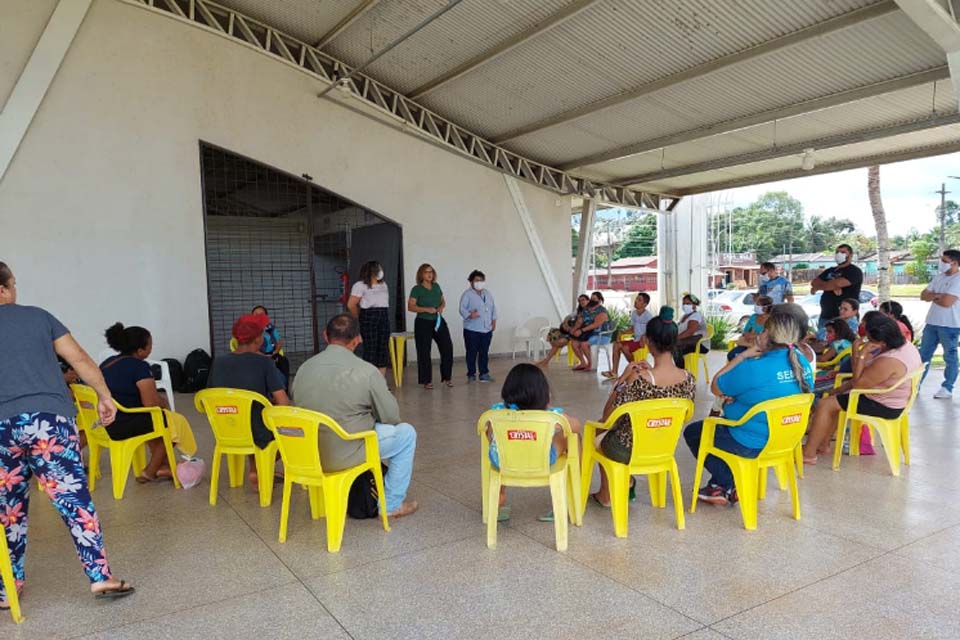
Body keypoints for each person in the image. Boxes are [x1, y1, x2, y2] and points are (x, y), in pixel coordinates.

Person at [0, 261, 135, 607]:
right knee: (73, 500)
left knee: (8, 510)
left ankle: (7, 588)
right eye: (14, 284)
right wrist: (105, 395)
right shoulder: (39, 317)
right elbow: (79, 359)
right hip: (48, 421)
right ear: (3, 289)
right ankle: (100, 577)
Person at [684, 305, 814, 506]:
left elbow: (716, 386)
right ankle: (722, 484)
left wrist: (743, 355)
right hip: (785, 438)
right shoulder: (802, 363)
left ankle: (726, 483)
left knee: (694, 432)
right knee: (719, 427)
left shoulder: (754, 367)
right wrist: (743, 397)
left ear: (767, 334)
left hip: (749, 440)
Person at [293, 314, 418, 518]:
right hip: (346, 453)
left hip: (306, 453)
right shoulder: (367, 371)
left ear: (326, 336)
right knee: (406, 434)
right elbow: (392, 416)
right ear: (357, 339)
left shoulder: (304, 369)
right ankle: (391, 505)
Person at [592, 308, 696, 506]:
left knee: (598, 427)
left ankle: (606, 495)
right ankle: (626, 482)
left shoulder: (638, 378)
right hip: (664, 446)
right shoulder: (689, 379)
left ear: (647, 341)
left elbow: (608, 417)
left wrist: (622, 378)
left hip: (630, 448)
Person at [803, 315, 921, 463]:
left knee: (825, 404)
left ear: (882, 341)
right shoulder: (905, 345)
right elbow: (859, 374)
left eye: (870, 339)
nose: (867, 342)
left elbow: (858, 382)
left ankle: (808, 454)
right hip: (891, 398)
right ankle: (823, 445)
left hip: (884, 404)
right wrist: (855, 352)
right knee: (834, 399)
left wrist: (862, 354)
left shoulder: (889, 360)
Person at [483, 363, 581, 522]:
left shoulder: (497, 413)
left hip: (503, 461)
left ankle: (499, 498)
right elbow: (576, 426)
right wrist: (548, 408)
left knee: (501, 447)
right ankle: (569, 495)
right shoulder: (550, 415)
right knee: (571, 437)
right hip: (540, 460)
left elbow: (489, 436)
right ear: (543, 392)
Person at [208, 313, 291, 488]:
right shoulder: (264, 363)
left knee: (251, 417)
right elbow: (283, 402)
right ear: (259, 339)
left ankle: (256, 468)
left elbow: (210, 396)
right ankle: (261, 467)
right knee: (291, 430)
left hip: (226, 429)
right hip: (258, 431)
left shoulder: (218, 362)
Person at [101, 323, 178, 483]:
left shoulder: (107, 363)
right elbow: (150, 403)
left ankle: (163, 466)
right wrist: (164, 404)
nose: (152, 347)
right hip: (126, 423)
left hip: (108, 422)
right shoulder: (139, 367)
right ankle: (150, 471)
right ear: (140, 350)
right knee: (173, 423)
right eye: (150, 344)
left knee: (156, 420)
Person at [919, 249, 960, 399]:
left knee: (950, 356)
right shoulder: (939, 278)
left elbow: (947, 302)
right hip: (932, 323)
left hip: (950, 325)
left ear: (954, 263)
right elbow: (923, 295)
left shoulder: (958, 279)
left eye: (944, 261)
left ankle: (947, 387)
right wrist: (938, 295)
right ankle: (916, 384)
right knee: (923, 355)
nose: (940, 263)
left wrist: (934, 296)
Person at [407, 263, 454, 389]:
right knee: (424, 351)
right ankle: (426, 380)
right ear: (421, 274)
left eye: (431, 272)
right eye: (427, 272)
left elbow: (443, 301)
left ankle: (447, 377)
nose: (430, 274)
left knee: (447, 348)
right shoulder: (416, 289)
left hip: (438, 321)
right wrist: (425, 309)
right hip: (423, 322)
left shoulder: (437, 286)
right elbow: (410, 307)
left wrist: (441, 307)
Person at [347, 261, 390, 376]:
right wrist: (359, 316)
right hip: (368, 315)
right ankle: (369, 381)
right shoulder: (360, 285)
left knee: (383, 349)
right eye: (378, 268)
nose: (380, 271)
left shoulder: (383, 284)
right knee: (370, 348)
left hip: (384, 315)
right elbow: (351, 304)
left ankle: (381, 382)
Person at [810, 244, 863, 332]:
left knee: (844, 343)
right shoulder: (830, 270)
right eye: (837, 252)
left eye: (843, 252)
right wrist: (832, 286)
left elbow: (838, 283)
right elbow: (814, 282)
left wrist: (823, 286)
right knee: (822, 341)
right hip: (825, 316)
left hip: (845, 318)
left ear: (850, 255)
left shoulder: (854, 271)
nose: (839, 254)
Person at [602, 292, 653, 379]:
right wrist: (622, 332)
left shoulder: (648, 316)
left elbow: (652, 331)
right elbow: (633, 329)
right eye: (636, 299)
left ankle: (636, 367)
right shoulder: (634, 313)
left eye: (639, 300)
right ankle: (614, 372)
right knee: (616, 345)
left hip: (644, 342)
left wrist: (645, 336)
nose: (636, 301)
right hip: (635, 340)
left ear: (645, 304)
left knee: (625, 347)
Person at [459, 270, 497, 383]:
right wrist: (470, 315)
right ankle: (471, 374)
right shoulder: (467, 294)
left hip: (486, 329)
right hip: (472, 329)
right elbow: (462, 309)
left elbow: (493, 308)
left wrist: (494, 321)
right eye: (476, 280)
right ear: (471, 282)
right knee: (471, 352)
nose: (479, 283)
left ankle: (484, 374)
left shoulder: (487, 293)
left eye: (481, 280)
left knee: (484, 352)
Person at [536, 295, 589, 367]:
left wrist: (573, 329)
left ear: (588, 300)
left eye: (583, 300)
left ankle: (546, 360)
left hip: (579, 333)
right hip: (571, 331)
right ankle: (546, 360)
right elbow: (568, 316)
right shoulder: (578, 310)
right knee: (553, 332)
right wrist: (565, 323)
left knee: (558, 343)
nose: (581, 302)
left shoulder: (590, 311)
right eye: (579, 301)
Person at [569, 291, 610, 371]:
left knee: (584, 344)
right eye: (591, 298)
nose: (592, 300)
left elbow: (595, 325)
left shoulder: (602, 311)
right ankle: (583, 363)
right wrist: (573, 330)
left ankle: (591, 364)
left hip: (601, 335)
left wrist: (581, 331)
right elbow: (580, 321)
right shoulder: (586, 310)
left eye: (594, 299)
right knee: (574, 343)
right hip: (589, 334)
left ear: (600, 300)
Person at [250, 306, 291, 383]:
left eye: (261, 314)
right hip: (256, 356)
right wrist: (264, 356)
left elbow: (278, 343)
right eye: (256, 314)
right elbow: (250, 348)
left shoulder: (270, 328)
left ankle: (284, 388)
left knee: (284, 361)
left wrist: (275, 352)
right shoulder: (249, 330)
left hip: (272, 355)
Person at [728, 295, 773, 361]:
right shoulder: (753, 317)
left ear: (765, 308)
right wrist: (756, 336)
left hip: (762, 348)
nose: (755, 306)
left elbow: (768, 337)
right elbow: (745, 333)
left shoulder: (771, 320)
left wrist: (752, 335)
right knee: (732, 355)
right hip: (747, 344)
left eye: (757, 304)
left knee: (751, 359)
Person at [676, 293, 707, 364]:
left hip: (700, 344)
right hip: (689, 342)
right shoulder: (684, 316)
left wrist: (676, 338)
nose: (684, 306)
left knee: (676, 347)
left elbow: (690, 331)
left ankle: (681, 371)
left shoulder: (696, 316)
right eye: (683, 304)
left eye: (688, 303)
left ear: (694, 305)